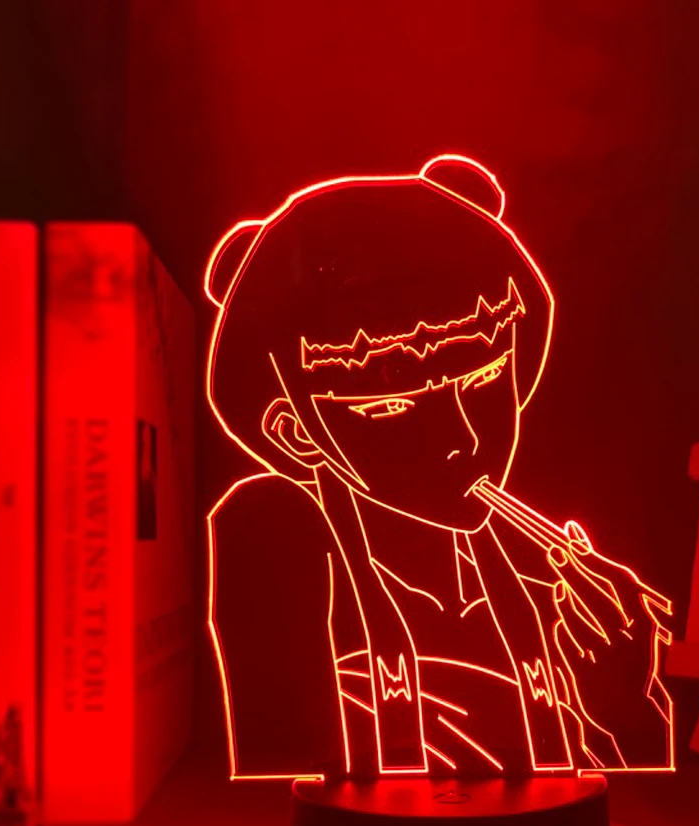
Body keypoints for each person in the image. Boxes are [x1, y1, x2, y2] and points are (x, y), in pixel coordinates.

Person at [206, 155, 673, 780]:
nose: (464, 439)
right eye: (392, 405)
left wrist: (625, 703)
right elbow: (283, 781)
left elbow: (614, 787)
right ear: (295, 433)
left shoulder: (555, 595)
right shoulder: (278, 536)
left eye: (484, 377)